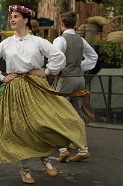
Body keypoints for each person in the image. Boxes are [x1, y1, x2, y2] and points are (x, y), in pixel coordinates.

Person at [0, 5, 89, 184]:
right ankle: (25, 169)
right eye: (11, 17)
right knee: (22, 129)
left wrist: (46, 72)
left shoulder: (37, 41)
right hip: (15, 89)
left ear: (25, 20)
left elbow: (58, 57)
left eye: (16, 17)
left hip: (36, 86)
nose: (12, 20)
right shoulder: (6, 43)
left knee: (46, 122)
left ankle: (45, 157)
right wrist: (2, 77)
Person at [53, 11, 98, 162]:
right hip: (80, 79)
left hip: (67, 79)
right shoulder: (81, 40)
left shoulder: (60, 40)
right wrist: (79, 67)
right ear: (75, 24)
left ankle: (62, 149)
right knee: (77, 114)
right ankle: (83, 149)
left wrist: (58, 70)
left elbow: (56, 59)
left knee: (59, 112)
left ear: (62, 24)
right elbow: (93, 57)